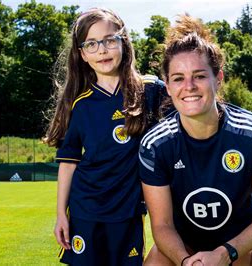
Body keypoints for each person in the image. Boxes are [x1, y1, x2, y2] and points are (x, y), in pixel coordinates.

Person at [139, 15, 252, 266]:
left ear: (218, 78)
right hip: (188, 251)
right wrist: (186, 261)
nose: (189, 86)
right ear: (168, 86)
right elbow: (162, 226)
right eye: (178, 78)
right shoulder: (155, 144)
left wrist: (224, 254)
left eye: (200, 76)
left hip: (241, 248)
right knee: (155, 263)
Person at [43, 8, 167, 265]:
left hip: (129, 210)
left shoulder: (150, 91)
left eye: (110, 40)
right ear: (82, 54)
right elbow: (69, 164)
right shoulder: (80, 105)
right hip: (86, 209)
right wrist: (61, 215)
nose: (102, 50)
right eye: (91, 44)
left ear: (124, 42)